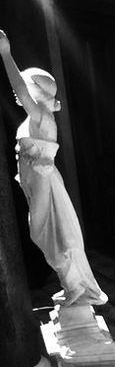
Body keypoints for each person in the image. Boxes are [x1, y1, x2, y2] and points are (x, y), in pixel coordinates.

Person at [0, 30, 106, 307]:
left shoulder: (41, 117)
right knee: (48, 234)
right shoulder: (36, 117)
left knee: (50, 232)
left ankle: (76, 286)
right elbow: (22, 93)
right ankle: (71, 284)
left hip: (44, 180)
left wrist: (5, 55)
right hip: (36, 179)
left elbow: (21, 92)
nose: (17, 93)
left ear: (36, 95)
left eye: (23, 89)